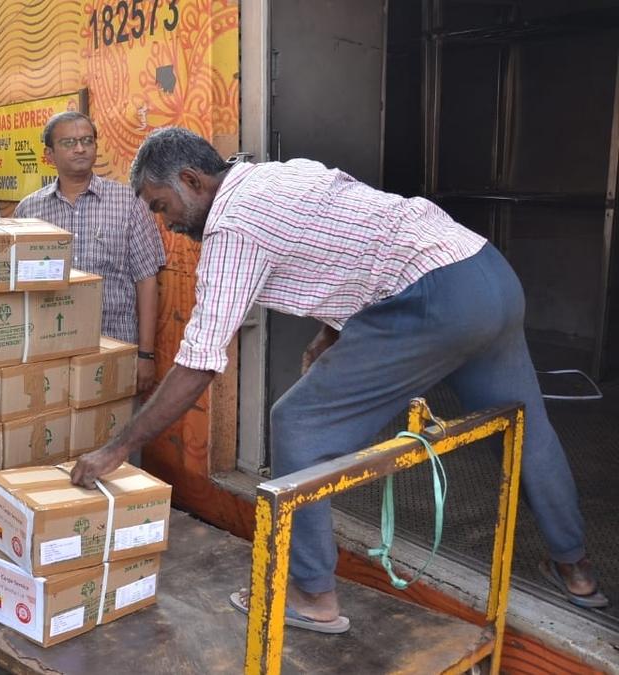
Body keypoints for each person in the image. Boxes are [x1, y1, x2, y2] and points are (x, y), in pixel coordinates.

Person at [70, 127, 608, 631]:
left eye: (162, 206)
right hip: (487, 273)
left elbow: (199, 363)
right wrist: (330, 334)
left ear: (191, 179)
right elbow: (353, 239)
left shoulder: (232, 225)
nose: (167, 223)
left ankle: (311, 595)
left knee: (298, 425)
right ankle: (577, 571)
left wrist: (116, 450)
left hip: (430, 300)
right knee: (525, 426)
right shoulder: (279, 174)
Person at [14, 112, 165, 394]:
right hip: (50, 349)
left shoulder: (128, 201)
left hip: (114, 344)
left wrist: (146, 354)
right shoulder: (29, 210)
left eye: (87, 140)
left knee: (117, 429)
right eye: (69, 142)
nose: (80, 148)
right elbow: (20, 285)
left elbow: (147, 280)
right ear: (49, 154)